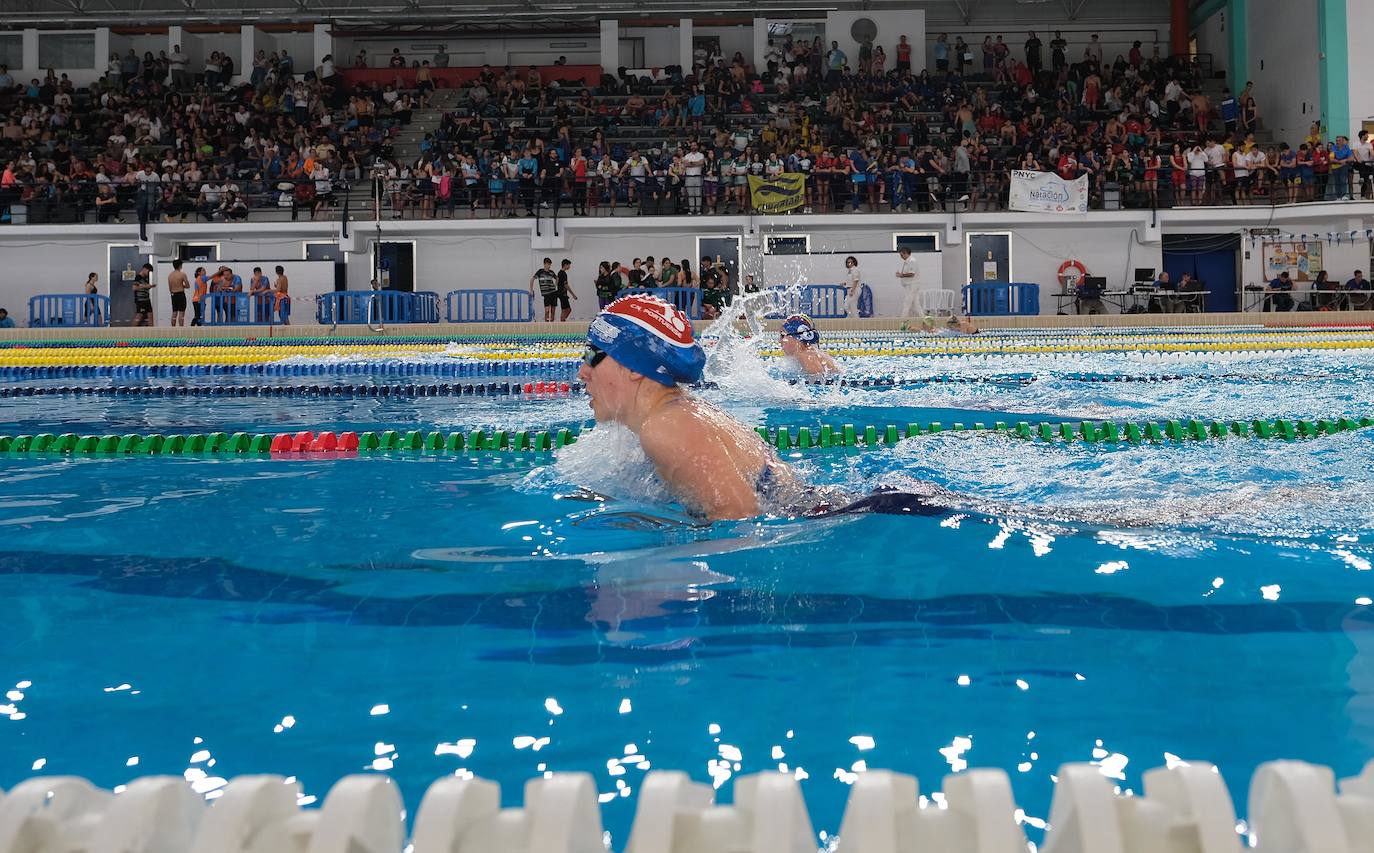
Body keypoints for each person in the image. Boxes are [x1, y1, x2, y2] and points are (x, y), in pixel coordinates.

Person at [579, 295, 939, 521]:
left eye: (592, 355)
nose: (582, 372)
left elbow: (739, 521)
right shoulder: (675, 416)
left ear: (632, 366)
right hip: (850, 504)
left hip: (858, 513)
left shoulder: (667, 427)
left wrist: (633, 520)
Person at [531, 257, 560, 321]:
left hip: (553, 293)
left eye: (550, 264)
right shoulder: (540, 271)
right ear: (544, 264)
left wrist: (555, 285)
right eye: (547, 264)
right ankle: (546, 325)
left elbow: (557, 278)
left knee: (553, 310)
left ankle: (552, 324)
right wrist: (531, 290)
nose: (549, 266)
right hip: (546, 294)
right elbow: (532, 279)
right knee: (547, 310)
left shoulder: (551, 272)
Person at [895, 246, 919, 317]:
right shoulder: (908, 261)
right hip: (910, 285)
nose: (901, 257)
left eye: (901, 255)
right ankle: (923, 318)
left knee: (907, 303)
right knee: (916, 304)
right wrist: (901, 275)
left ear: (905, 253)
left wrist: (901, 275)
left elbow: (912, 274)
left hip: (912, 285)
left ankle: (902, 319)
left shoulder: (912, 261)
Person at [167, 259, 189, 327]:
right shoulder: (182, 274)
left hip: (173, 295)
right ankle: (181, 328)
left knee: (174, 312)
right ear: (180, 266)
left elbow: (170, 289)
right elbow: (188, 286)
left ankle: (173, 328)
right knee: (181, 313)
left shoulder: (170, 275)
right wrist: (181, 285)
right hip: (180, 294)